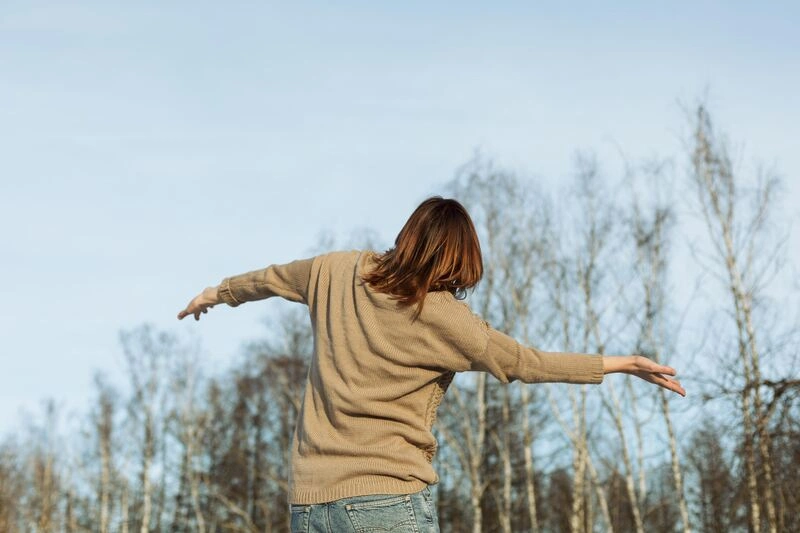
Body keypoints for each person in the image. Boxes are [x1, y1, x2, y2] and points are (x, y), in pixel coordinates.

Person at [177, 196, 685, 532]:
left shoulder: (333, 271)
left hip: (309, 505)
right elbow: (524, 363)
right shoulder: (444, 317)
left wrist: (217, 293)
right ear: (456, 258)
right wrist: (619, 363)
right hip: (388, 503)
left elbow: (269, 278)